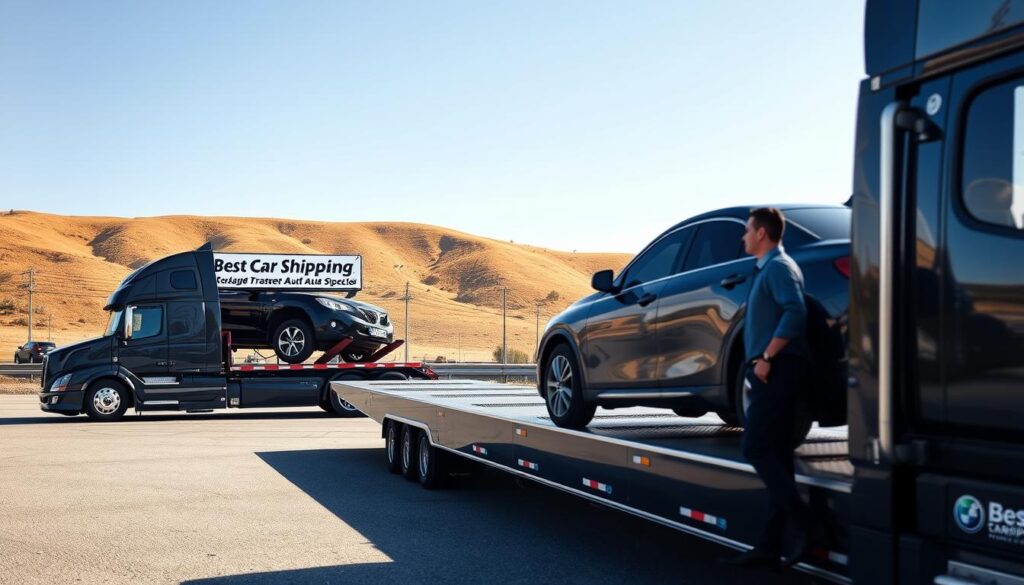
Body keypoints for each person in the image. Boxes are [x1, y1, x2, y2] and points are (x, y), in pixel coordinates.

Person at [721, 207, 822, 568]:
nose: (743, 236)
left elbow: (794, 312)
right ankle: (769, 545)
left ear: (762, 233)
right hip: (770, 371)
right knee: (777, 455)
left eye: (747, 230)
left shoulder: (780, 267)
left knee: (755, 445)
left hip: (778, 370)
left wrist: (766, 356)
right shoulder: (767, 268)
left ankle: (809, 524)